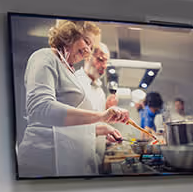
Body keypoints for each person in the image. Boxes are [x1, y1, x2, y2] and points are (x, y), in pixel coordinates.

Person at [15, 19, 132, 177]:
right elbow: (41, 109)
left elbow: (69, 125)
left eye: (91, 47)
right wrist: (101, 116)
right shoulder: (44, 57)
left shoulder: (68, 70)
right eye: (86, 42)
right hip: (45, 161)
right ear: (69, 33)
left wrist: (103, 128)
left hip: (66, 160)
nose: (88, 51)